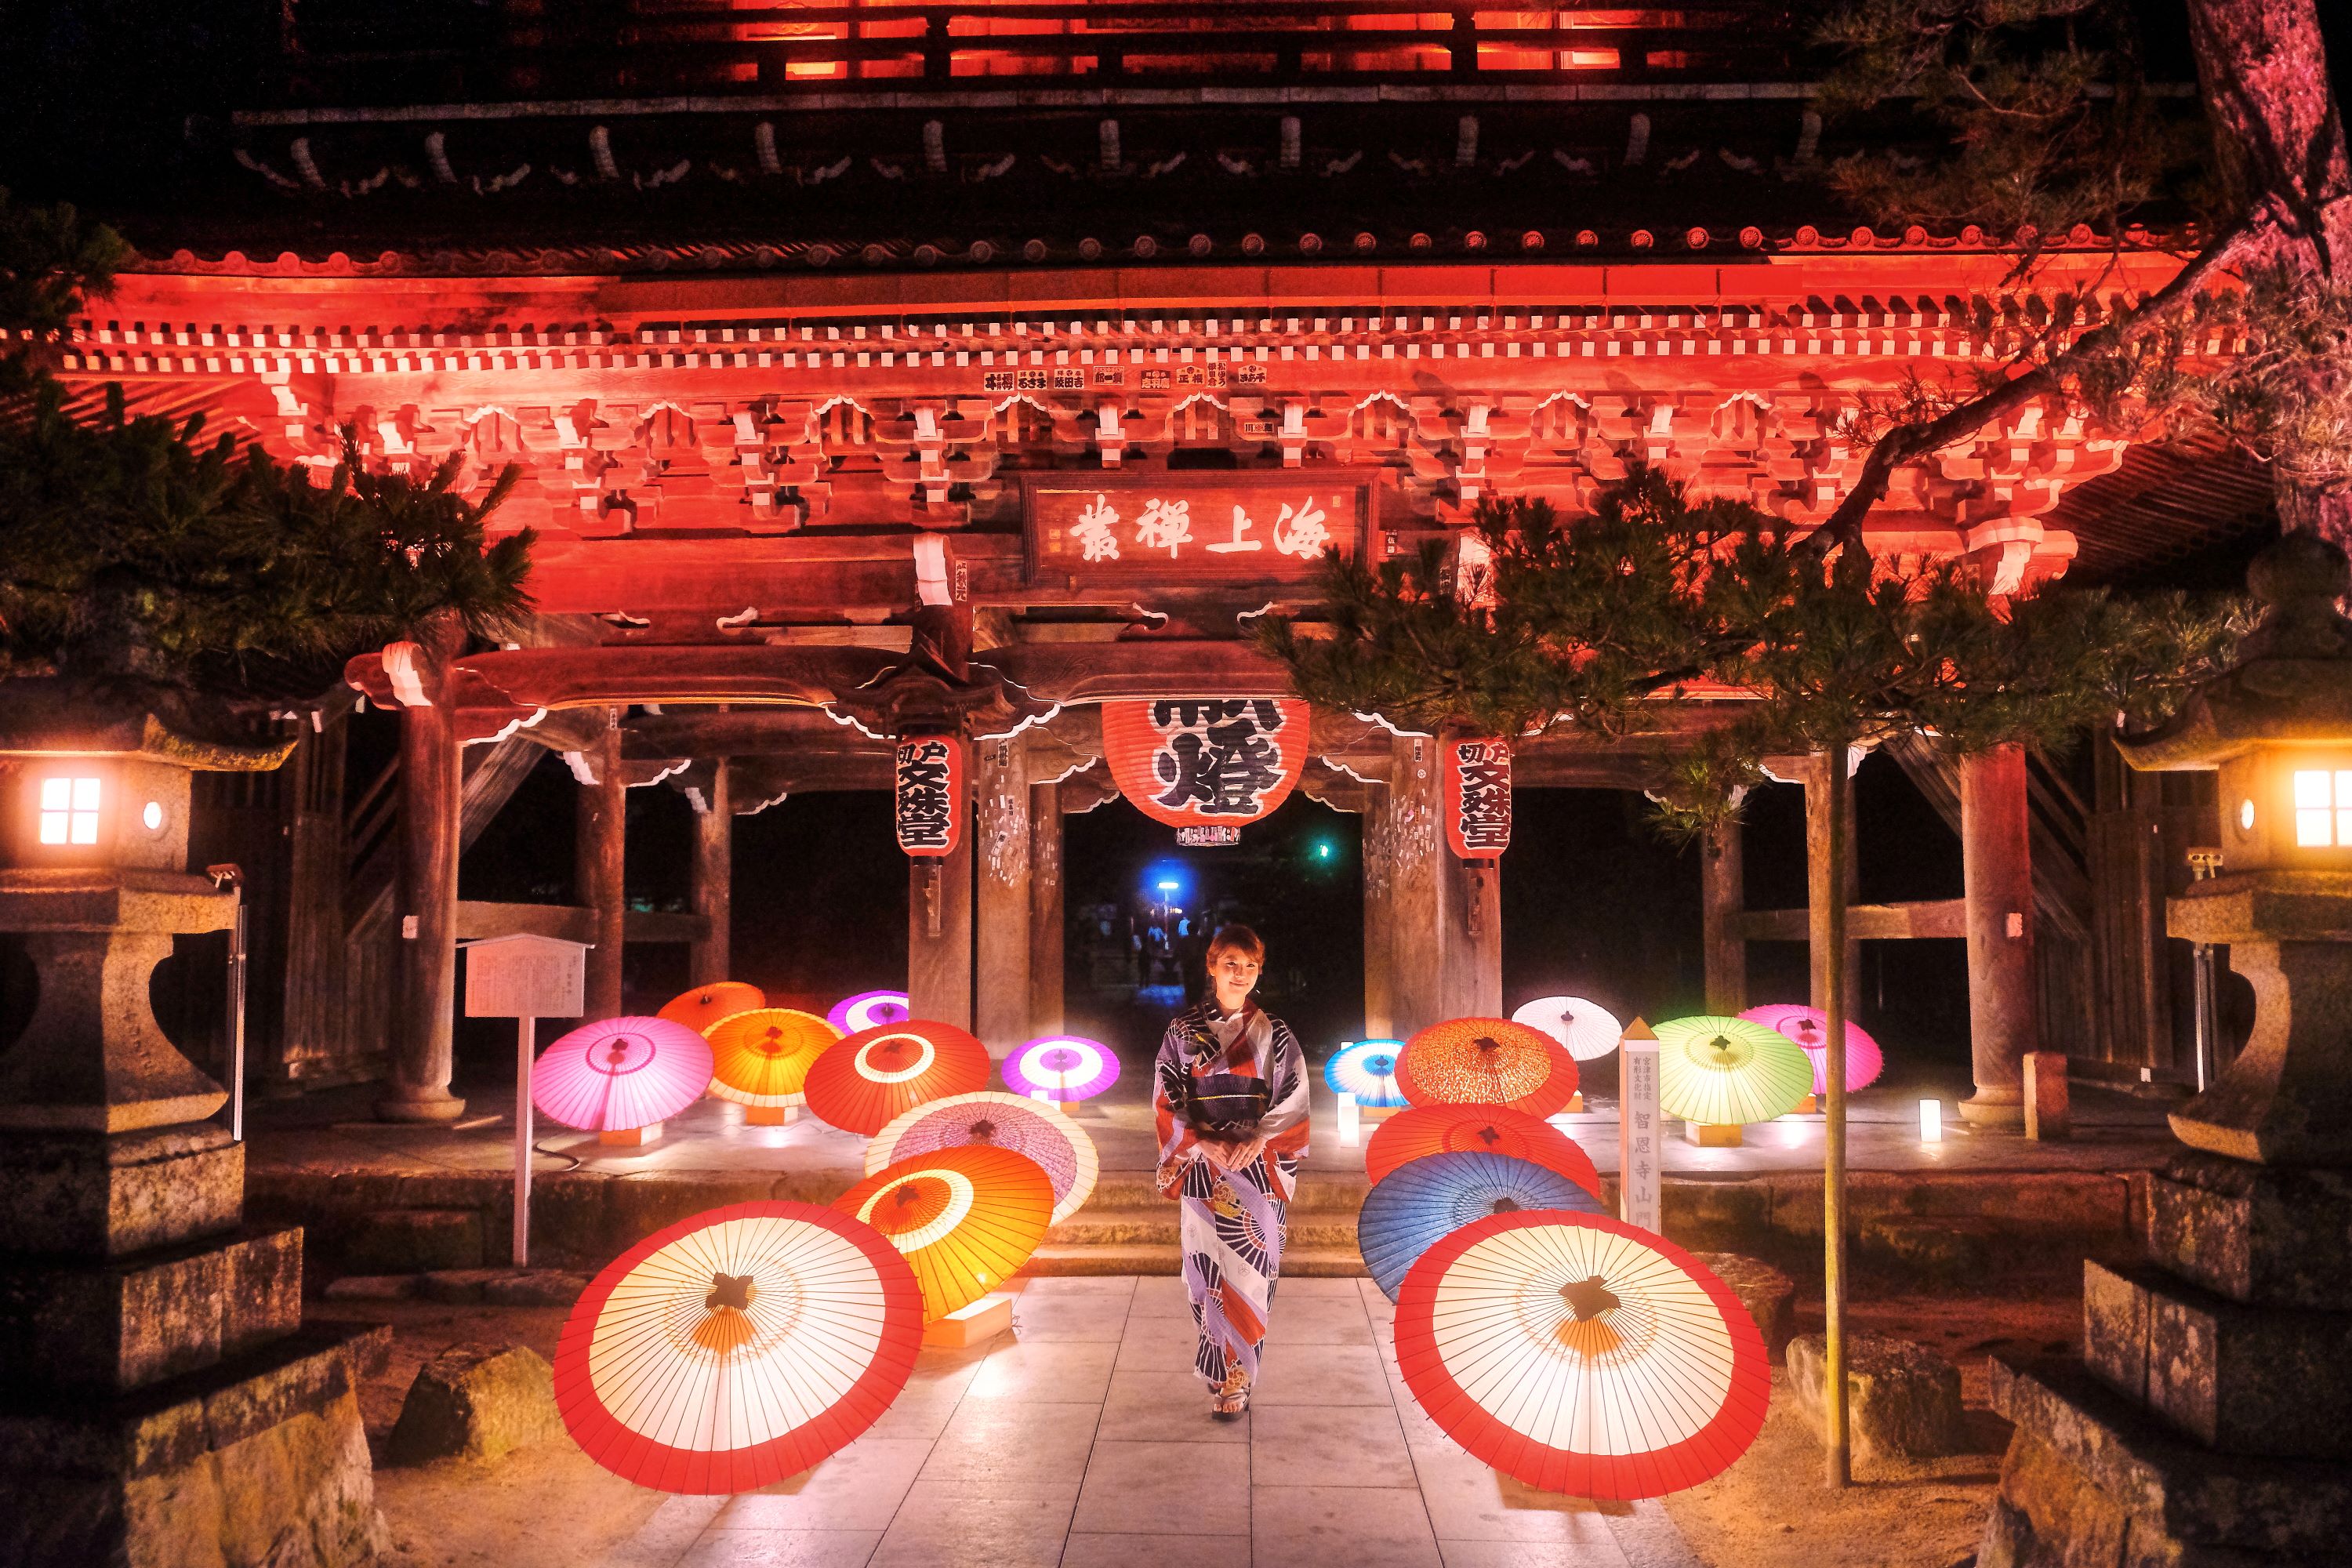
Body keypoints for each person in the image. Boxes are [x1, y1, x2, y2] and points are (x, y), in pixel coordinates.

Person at [1152, 924, 1309, 1417]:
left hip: (1257, 1168)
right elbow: (1165, 1098)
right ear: (1212, 967)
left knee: (1250, 1272)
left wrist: (1261, 1137)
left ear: (1258, 971)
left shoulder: (1276, 1034)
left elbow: (1295, 1098)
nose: (1239, 975)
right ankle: (1218, 1370)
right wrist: (1201, 1141)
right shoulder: (1182, 1031)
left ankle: (1238, 1381)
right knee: (1204, 1273)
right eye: (1230, 965)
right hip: (1204, 1165)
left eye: (1249, 966)